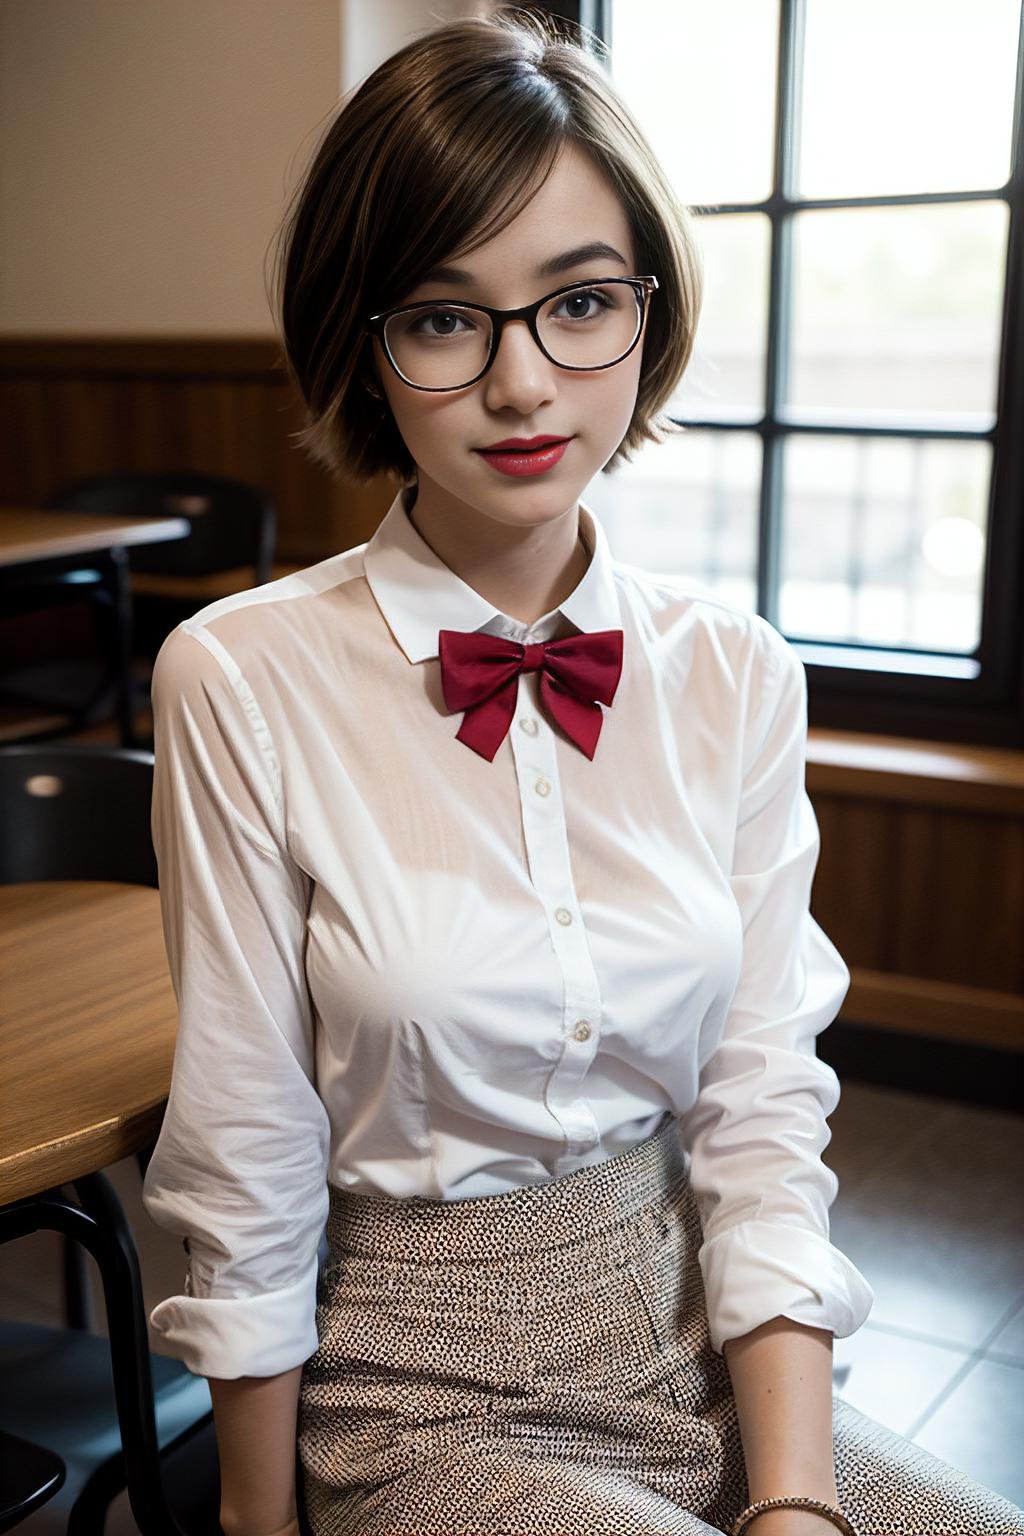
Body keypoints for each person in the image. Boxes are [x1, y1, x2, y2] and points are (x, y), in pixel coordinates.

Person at [139, 9, 1024, 1536]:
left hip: (696, 1335)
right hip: (413, 1385)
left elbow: (758, 1108)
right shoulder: (240, 676)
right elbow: (245, 1143)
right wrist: (255, 1522)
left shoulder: (736, 669)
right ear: (365, 339)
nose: (524, 384)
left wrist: (797, 1504)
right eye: (442, 316)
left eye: (579, 303)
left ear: (646, 308)